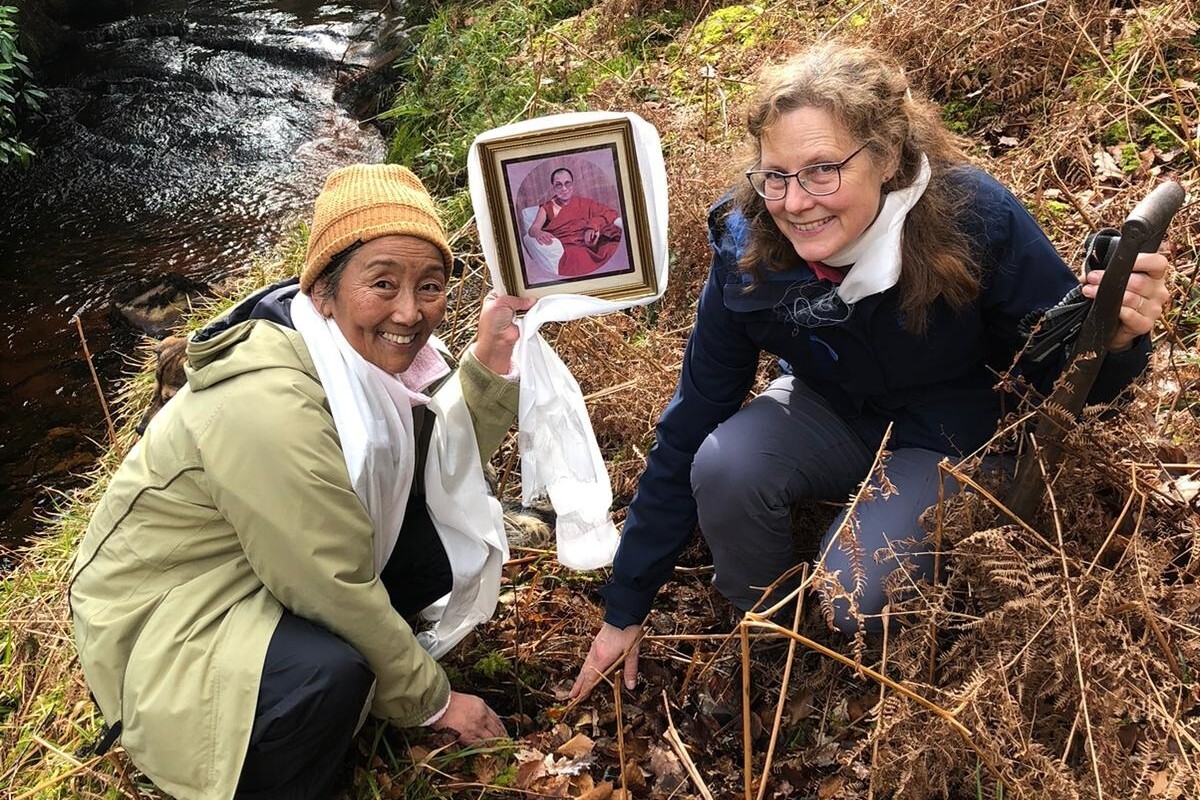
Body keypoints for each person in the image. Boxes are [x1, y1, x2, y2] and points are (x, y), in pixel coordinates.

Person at [571, 42, 1170, 698]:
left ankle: (870, 671)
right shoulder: (748, 252)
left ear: (886, 158)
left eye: (823, 170)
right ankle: (772, 639)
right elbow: (692, 419)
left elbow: (1072, 380)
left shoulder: (970, 218)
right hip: (830, 405)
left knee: (853, 598)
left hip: (952, 427)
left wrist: (1115, 339)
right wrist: (625, 604)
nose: (796, 202)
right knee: (724, 465)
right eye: (775, 175)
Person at [70, 164, 535, 799]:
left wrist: (491, 357)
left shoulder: (368, 368)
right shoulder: (268, 401)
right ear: (323, 290)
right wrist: (434, 701)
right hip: (168, 625)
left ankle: (356, 693)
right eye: (382, 283)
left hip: (257, 572)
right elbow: (331, 582)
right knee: (327, 675)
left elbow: (439, 474)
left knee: (429, 552)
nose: (410, 310)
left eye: (430, 286)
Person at [527, 166, 623, 276]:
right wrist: (539, 233)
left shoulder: (584, 203)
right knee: (579, 257)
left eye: (567, 183)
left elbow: (611, 212)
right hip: (572, 247)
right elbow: (533, 229)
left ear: (572, 185)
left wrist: (593, 226)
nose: (564, 188)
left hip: (593, 243)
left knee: (612, 249)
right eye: (559, 185)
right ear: (553, 187)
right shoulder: (547, 207)